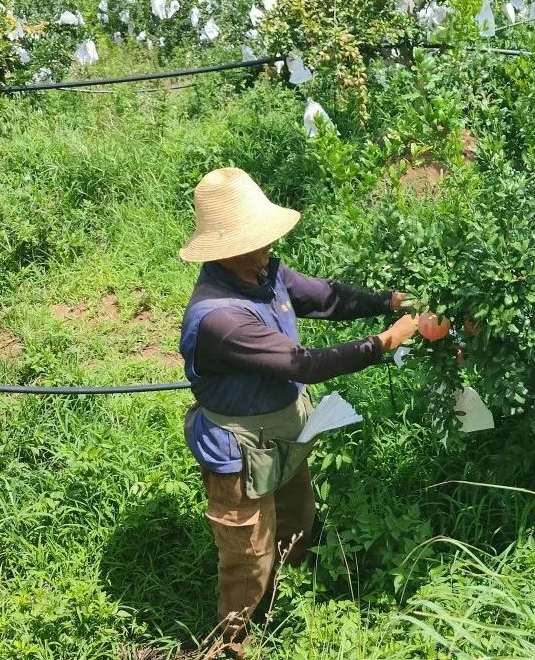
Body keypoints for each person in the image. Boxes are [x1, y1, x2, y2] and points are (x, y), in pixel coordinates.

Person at [177, 167, 416, 658]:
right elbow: (303, 364)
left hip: (284, 433)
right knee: (248, 558)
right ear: (222, 249)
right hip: (240, 453)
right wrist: (389, 340)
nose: (266, 249)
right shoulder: (220, 316)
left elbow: (325, 297)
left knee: (297, 517)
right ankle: (232, 641)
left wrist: (388, 302)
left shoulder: (264, 274)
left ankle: (293, 597)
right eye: (254, 242)